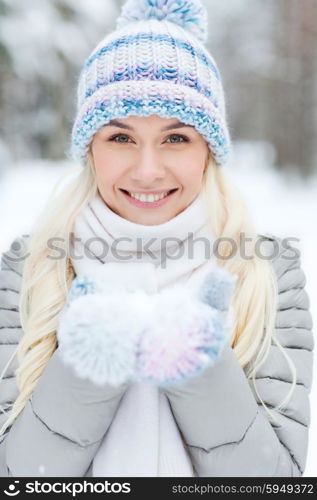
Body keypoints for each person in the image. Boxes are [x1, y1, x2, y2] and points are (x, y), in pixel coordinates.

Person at [0, 0, 314, 478]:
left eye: (176, 138)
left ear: (209, 149)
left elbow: (276, 483)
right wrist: (87, 369)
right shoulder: (30, 270)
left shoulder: (266, 272)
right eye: (120, 138)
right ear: (90, 149)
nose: (147, 171)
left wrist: (198, 364)